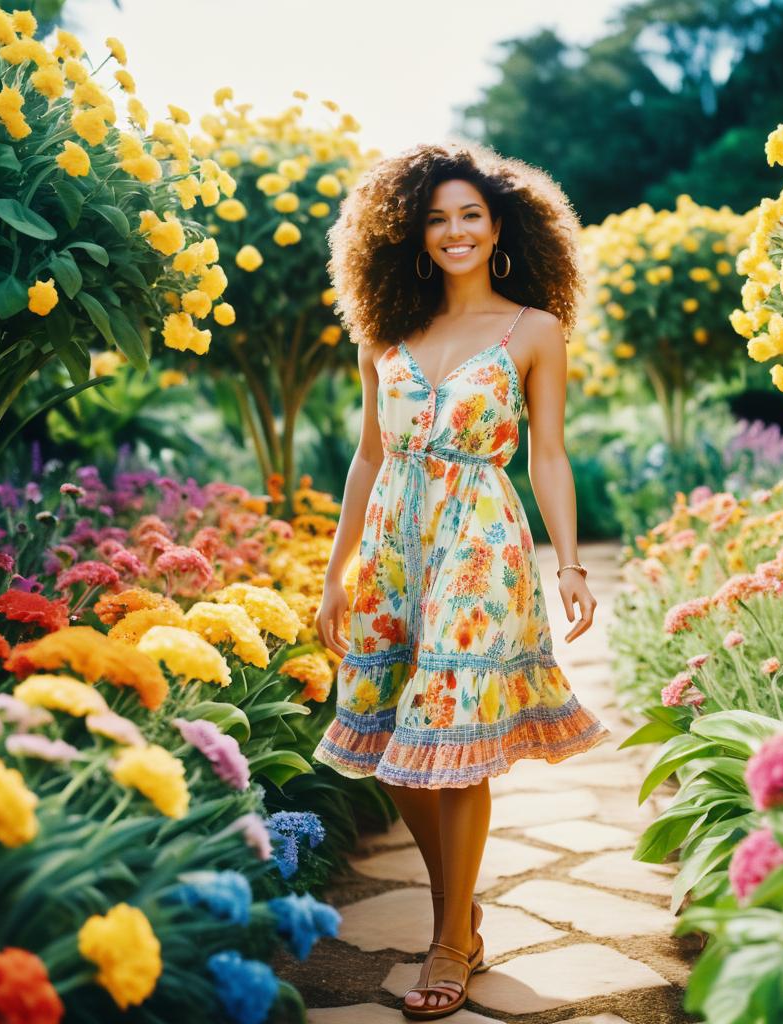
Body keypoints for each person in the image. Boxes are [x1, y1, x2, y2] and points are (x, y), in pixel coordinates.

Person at [312, 139, 610, 1020]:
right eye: (437, 217)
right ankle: (462, 908)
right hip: (396, 546)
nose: (454, 231)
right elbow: (369, 459)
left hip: (479, 544)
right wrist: (338, 574)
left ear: (499, 225)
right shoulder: (385, 336)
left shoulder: (532, 329)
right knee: (392, 753)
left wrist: (572, 563)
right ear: (410, 231)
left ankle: (448, 943)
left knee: (448, 737)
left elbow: (549, 455)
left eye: (470, 215)